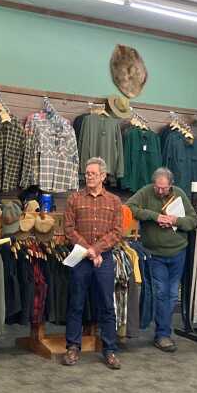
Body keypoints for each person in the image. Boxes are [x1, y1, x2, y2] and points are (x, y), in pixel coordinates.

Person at [126, 167, 196, 352]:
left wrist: (174, 220)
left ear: (171, 185)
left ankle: (163, 332)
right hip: (155, 253)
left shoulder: (179, 194)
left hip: (178, 252)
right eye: (157, 187)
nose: (160, 191)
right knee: (161, 293)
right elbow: (129, 207)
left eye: (164, 188)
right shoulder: (146, 192)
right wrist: (155, 216)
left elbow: (192, 221)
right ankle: (163, 334)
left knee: (172, 295)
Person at [63, 157, 123, 369]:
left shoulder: (114, 201)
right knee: (76, 302)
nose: (88, 177)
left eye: (93, 174)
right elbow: (69, 229)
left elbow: (117, 232)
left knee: (107, 304)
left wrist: (96, 250)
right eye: (87, 173)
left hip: (103, 258)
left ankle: (110, 350)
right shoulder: (74, 199)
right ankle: (72, 347)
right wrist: (89, 251)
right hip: (80, 258)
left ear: (103, 176)